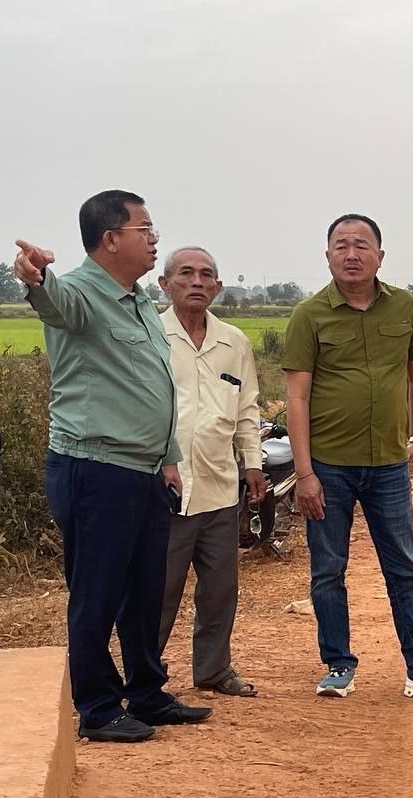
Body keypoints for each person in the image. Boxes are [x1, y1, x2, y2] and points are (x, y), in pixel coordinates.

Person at [13, 191, 212, 742]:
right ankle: (98, 707)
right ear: (110, 239)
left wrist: (168, 460)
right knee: (97, 592)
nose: (154, 239)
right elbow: (52, 300)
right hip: (95, 468)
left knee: (145, 589)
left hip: (143, 470)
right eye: (144, 229)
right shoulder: (80, 292)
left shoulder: (138, 300)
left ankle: (147, 692)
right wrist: (35, 276)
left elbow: (152, 385)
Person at [283, 214, 413, 700]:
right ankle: (338, 664)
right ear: (328, 256)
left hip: (388, 465)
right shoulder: (309, 315)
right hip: (328, 466)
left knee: (404, 568)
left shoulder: (404, 306)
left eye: (361, 245)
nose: (352, 254)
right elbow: (297, 396)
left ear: (380, 256)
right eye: (341, 245)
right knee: (329, 570)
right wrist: (304, 473)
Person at [156, 246, 264, 696]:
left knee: (220, 588)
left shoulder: (234, 342)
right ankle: (144, 674)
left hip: (220, 485)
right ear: (165, 284)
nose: (197, 282)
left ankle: (214, 669)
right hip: (166, 487)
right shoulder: (151, 336)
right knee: (159, 590)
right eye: (186, 273)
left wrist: (253, 462)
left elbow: (247, 407)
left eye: (206, 275)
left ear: (218, 287)